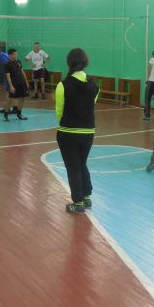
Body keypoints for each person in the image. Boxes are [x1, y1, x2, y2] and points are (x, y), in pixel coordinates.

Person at [55, 48, 99, 214]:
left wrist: (67, 121)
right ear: (85, 62)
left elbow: (59, 111)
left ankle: (78, 202)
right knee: (81, 163)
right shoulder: (94, 85)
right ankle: (86, 197)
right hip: (88, 132)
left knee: (73, 167)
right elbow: (91, 105)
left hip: (68, 132)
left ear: (69, 62)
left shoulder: (63, 85)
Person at [4, 48, 30, 122]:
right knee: (10, 99)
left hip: (22, 83)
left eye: (16, 54)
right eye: (14, 54)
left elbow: (22, 71)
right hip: (14, 84)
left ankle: (19, 114)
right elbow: (8, 76)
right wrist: (11, 86)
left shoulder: (18, 62)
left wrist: (26, 81)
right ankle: (6, 114)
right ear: (10, 55)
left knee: (22, 98)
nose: (16, 56)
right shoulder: (7, 64)